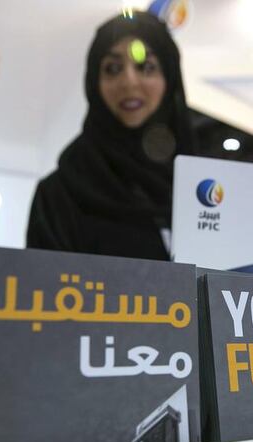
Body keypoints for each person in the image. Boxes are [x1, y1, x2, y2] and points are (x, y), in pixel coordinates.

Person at [27, 10, 194, 260]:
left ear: (169, 79)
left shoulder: (201, 184)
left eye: (147, 67)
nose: (129, 81)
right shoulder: (62, 193)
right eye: (113, 68)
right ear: (94, 81)